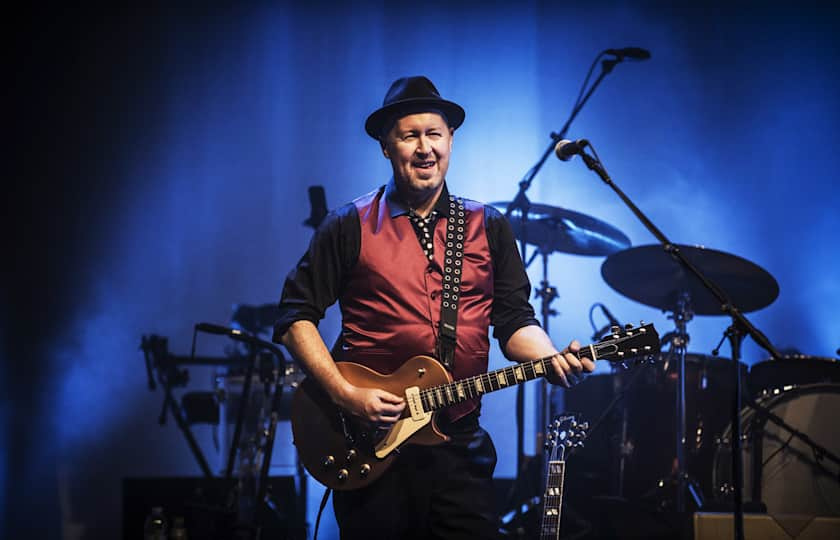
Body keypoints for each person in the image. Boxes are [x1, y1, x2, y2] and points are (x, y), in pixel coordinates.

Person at [273, 76, 595, 539]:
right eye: (410, 136)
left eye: (434, 134)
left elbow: (514, 321)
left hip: (458, 446)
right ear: (387, 147)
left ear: (451, 140)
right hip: (369, 441)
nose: (425, 148)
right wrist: (345, 395)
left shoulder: (489, 226)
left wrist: (550, 357)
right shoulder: (348, 224)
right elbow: (294, 317)